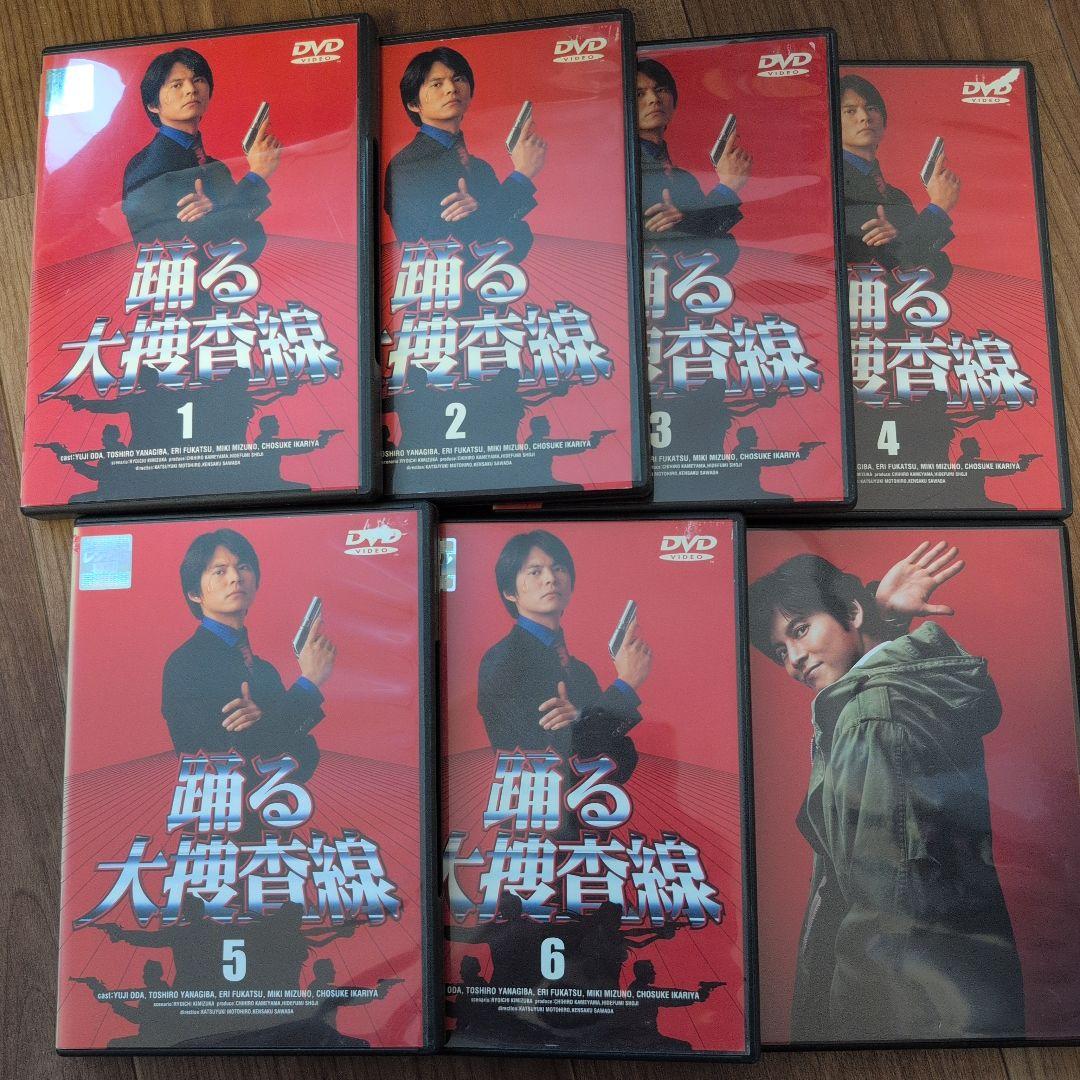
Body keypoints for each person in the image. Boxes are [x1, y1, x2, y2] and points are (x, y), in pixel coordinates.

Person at [748, 541, 1024, 1041]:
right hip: (959, 991)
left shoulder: (871, 717)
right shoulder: (900, 692)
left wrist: (836, 1032)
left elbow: (887, 905)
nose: (794, 659)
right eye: (779, 651)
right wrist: (880, 620)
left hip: (910, 1014)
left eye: (800, 629)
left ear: (852, 613)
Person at [477, 530, 652, 783]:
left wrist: (579, 719)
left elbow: (623, 761)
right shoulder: (502, 661)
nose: (550, 579)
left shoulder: (580, 672)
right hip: (536, 804)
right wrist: (625, 685)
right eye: (535, 571)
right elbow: (545, 756)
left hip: (589, 805)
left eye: (558, 568)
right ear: (509, 591)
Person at [161, 528, 336, 781]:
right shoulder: (184, 664)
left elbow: (307, 756)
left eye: (243, 567)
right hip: (217, 803)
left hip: (274, 804)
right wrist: (308, 683)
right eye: (219, 571)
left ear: (256, 581)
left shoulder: (264, 671)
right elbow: (228, 760)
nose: (235, 577)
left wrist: (264, 721)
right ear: (194, 593)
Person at [384, 46, 546, 262]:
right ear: (414, 104)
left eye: (458, 79)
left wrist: (479, 213)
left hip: (488, 281)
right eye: (437, 84)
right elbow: (454, 244)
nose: (451, 88)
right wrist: (522, 174)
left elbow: (521, 237)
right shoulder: (406, 166)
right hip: (438, 281)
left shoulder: (480, 168)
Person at [122, 47, 282, 261]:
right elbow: (180, 246)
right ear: (153, 104)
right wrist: (257, 176)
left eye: (198, 80)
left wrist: (216, 212)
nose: (191, 89)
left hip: (228, 279)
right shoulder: (146, 167)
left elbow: (254, 238)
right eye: (177, 84)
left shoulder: (217, 169)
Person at [840, 73, 960, 290]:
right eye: (850, 111)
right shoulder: (834, 188)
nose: (864, 117)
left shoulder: (897, 197)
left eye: (872, 108)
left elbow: (939, 268)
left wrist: (899, 243)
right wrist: (938, 208)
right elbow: (880, 266)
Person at [635, 58, 751, 266]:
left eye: (661, 90)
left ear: (673, 101)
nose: (654, 99)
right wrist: (728, 186)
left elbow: (722, 247)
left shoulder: (683, 179)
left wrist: (684, 222)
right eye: (639, 94)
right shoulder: (626, 171)